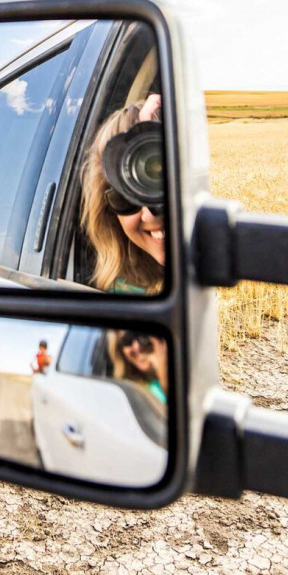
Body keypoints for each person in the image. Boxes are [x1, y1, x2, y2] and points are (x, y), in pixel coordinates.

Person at [80, 93, 164, 294]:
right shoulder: (122, 292)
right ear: (108, 211)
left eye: (163, 184)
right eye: (126, 196)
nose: (150, 213)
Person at [109, 330, 168, 407]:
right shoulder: (130, 394)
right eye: (127, 339)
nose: (137, 346)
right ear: (119, 350)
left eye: (142, 335)